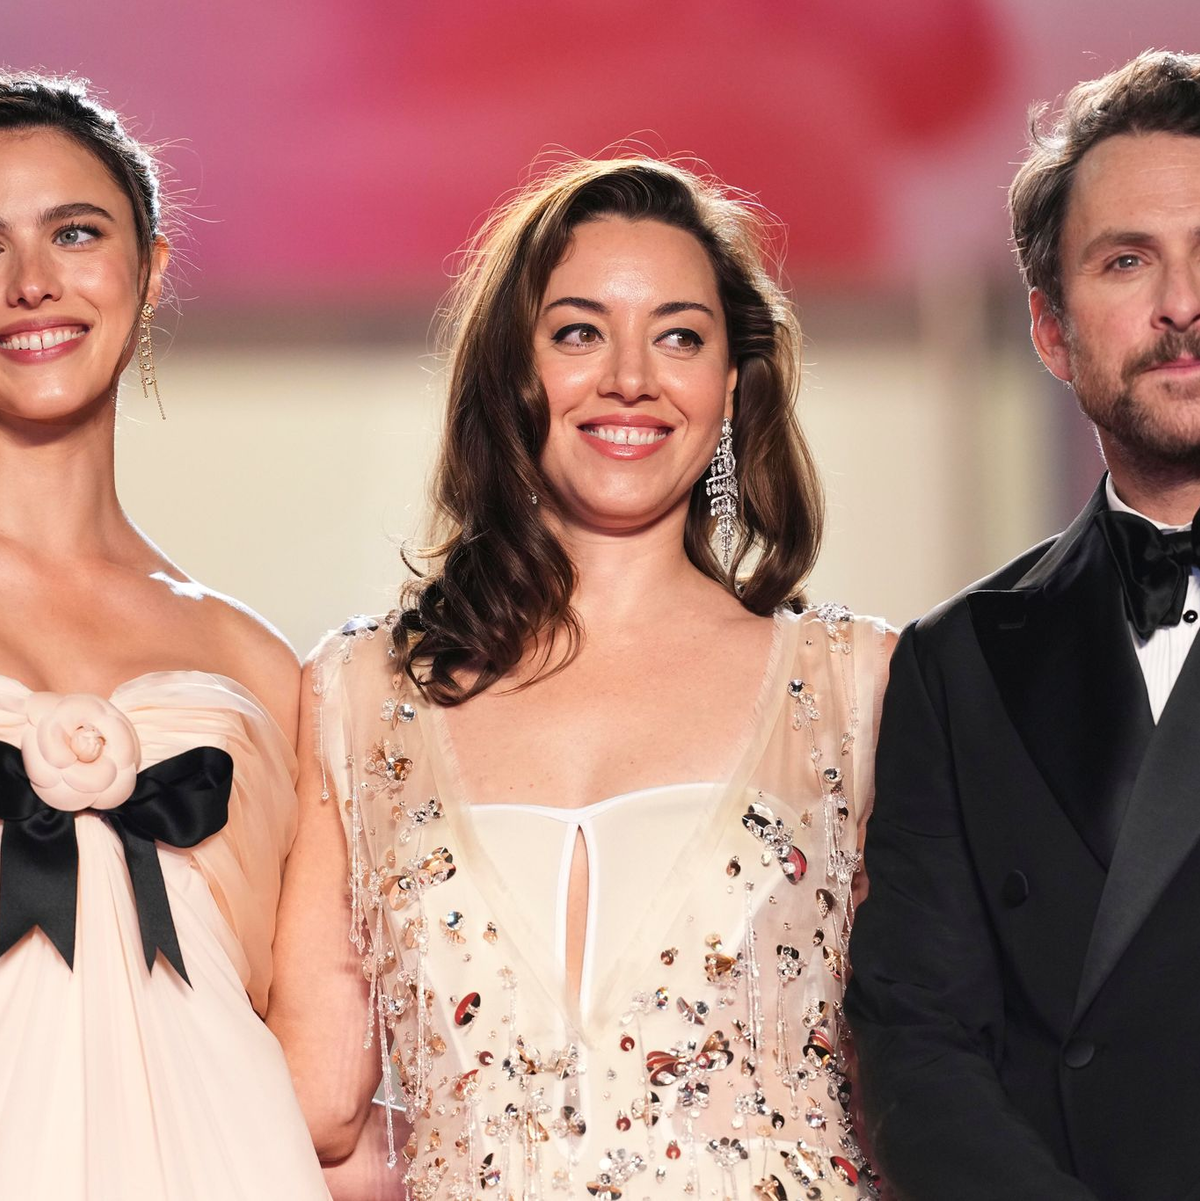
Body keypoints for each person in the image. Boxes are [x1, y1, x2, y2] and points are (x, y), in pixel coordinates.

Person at [269, 157, 893, 1200]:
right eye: (577, 333)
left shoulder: (857, 688)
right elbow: (321, 1113)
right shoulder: (360, 695)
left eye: (680, 337)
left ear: (732, 387)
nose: (630, 378)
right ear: (509, 373)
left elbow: (923, 1083)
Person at [846, 50, 1200, 1200]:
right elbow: (916, 1043)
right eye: (1127, 260)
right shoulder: (957, 665)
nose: (1182, 302)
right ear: (1051, 330)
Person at [0, 73, 329, 1199]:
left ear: (149, 269)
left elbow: (313, 1052)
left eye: (74, 233)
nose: (30, 282)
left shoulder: (257, 663)